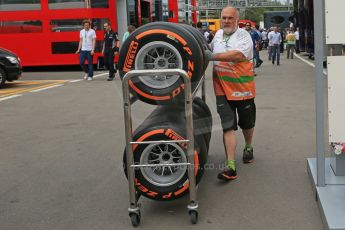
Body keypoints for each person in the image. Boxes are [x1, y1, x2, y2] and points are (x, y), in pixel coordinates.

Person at [204, 6, 255, 181]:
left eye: (230, 18)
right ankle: (231, 166)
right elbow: (208, 51)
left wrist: (213, 56)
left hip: (242, 89)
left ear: (237, 20)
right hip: (221, 89)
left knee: (246, 124)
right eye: (223, 17)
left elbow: (239, 55)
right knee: (228, 126)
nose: (226, 21)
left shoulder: (244, 35)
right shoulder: (217, 34)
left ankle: (248, 146)